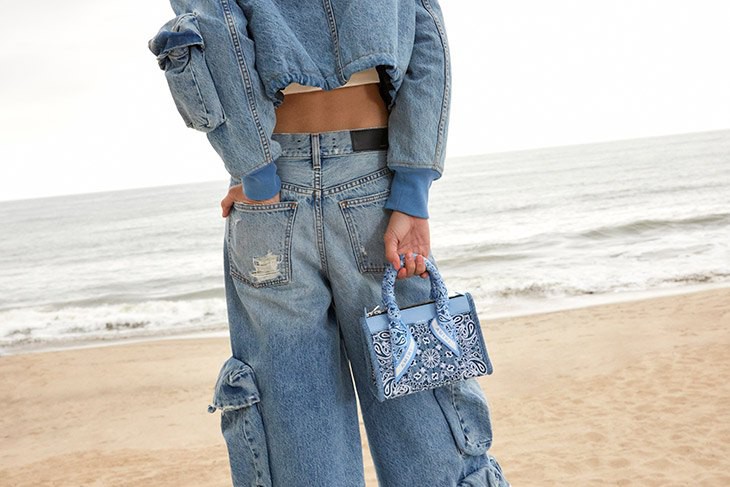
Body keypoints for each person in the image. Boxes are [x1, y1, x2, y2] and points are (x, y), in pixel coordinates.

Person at [149, 1, 509, 485]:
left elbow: (215, 29)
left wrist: (256, 173)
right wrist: (411, 191)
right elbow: (427, 40)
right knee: (427, 413)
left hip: (273, 190)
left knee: (295, 434)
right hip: (375, 183)